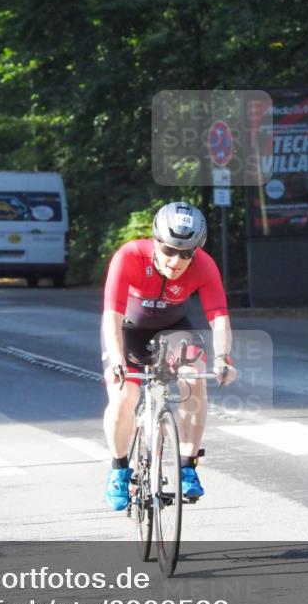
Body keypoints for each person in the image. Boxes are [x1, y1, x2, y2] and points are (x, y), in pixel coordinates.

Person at [101, 202, 237, 510]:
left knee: (194, 379)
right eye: (169, 250)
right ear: (155, 241)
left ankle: (187, 465)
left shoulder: (204, 266)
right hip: (128, 330)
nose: (176, 261)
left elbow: (219, 316)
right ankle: (119, 471)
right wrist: (117, 360)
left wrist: (223, 358)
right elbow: (112, 315)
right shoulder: (129, 256)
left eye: (186, 254)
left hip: (174, 330)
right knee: (123, 397)